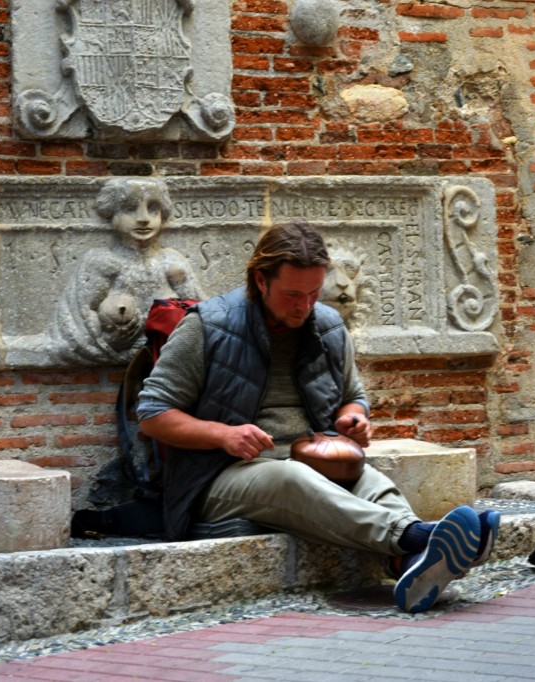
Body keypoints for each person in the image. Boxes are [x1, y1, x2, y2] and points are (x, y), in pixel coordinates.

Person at [136, 222, 499, 613]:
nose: (303, 306)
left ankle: (410, 562)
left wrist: (353, 418)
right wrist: (223, 434)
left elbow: (352, 397)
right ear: (260, 280)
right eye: (292, 294)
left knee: (369, 478)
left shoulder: (327, 326)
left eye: (312, 293)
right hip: (218, 477)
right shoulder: (208, 327)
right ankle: (419, 537)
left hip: (315, 458)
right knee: (291, 477)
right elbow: (153, 414)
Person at [50, 177, 204, 364]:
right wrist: (112, 334)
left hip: (170, 360)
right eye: (130, 209)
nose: (143, 219)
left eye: (153, 209)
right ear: (111, 214)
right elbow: (79, 323)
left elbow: (203, 314)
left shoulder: (171, 262)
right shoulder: (104, 262)